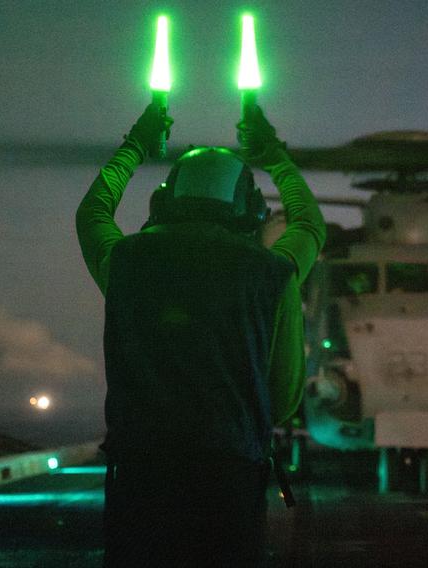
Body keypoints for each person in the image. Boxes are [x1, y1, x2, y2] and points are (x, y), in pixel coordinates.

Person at [76, 103, 326, 566]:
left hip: (140, 475)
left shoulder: (127, 263)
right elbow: (309, 223)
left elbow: (93, 213)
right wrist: (275, 156)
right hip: (230, 478)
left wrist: (136, 144)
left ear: (163, 201)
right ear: (250, 209)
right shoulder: (275, 274)